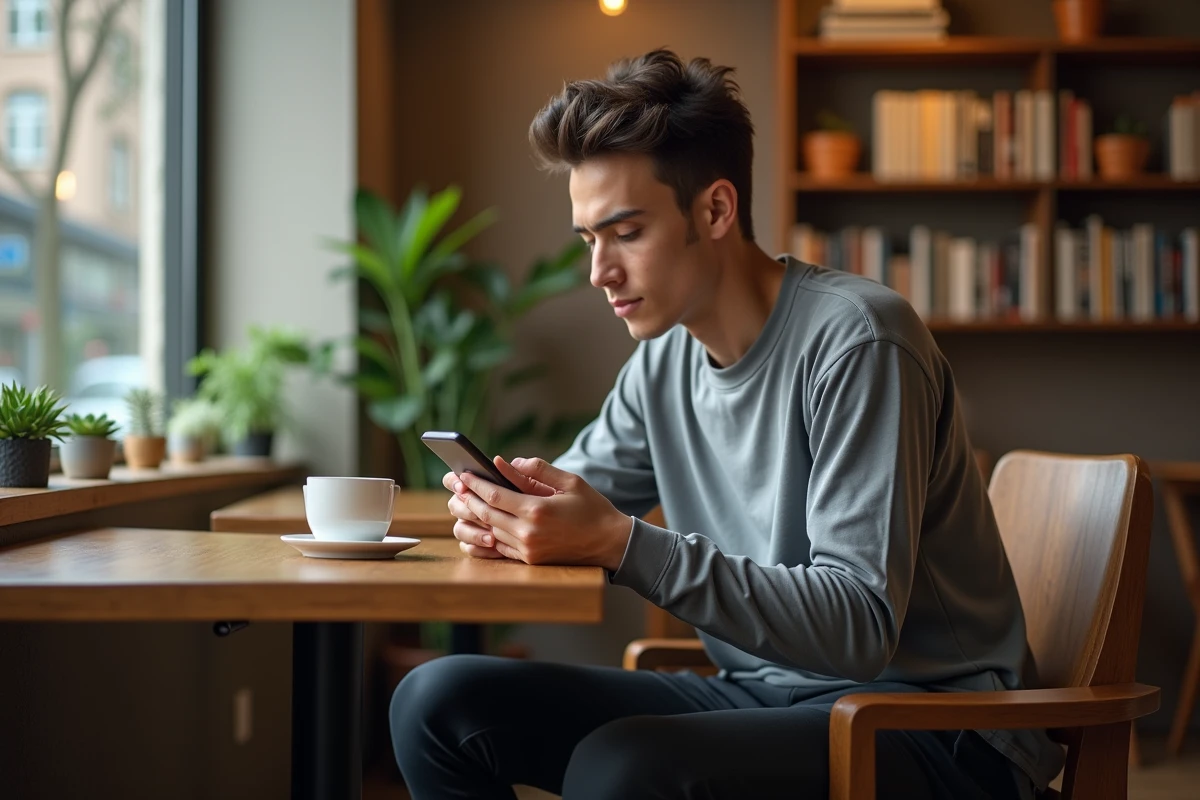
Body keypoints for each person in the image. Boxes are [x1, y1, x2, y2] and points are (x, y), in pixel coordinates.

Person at [389, 48, 1064, 800]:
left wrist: (620, 542)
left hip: (929, 727)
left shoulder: (861, 340)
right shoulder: (662, 364)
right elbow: (572, 506)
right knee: (436, 703)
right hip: (766, 696)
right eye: (589, 239)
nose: (598, 272)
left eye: (627, 233)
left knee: (622, 768)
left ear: (714, 210)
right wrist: (507, 512)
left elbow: (859, 625)